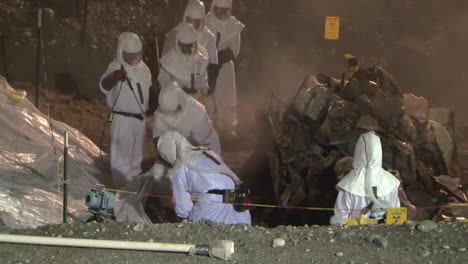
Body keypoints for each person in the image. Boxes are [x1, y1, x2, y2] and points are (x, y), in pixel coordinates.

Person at [156, 131, 251, 225]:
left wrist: (182, 217)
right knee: (241, 232)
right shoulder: (206, 151)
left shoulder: (179, 165)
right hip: (234, 192)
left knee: (200, 233)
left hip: (212, 198)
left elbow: (183, 204)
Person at [99, 32, 156, 187]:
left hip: (139, 120)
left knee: (136, 159)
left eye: (137, 55)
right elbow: (104, 85)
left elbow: (149, 90)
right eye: (130, 55)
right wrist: (116, 76)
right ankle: (120, 193)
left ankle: (133, 191)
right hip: (122, 120)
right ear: (122, 53)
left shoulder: (144, 69)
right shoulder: (115, 67)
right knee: (121, 161)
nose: (134, 58)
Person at [330, 131, 401, 225]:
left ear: (358, 151)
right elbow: (396, 216)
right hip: (385, 232)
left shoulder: (349, 185)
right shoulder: (390, 183)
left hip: (356, 233)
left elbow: (340, 220)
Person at [204, 0, 245, 137]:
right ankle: (206, 128)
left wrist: (220, 58)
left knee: (227, 96)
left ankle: (228, 127)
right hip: (207, 66)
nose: (222, 13)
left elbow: (235, 50)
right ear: (214, 7)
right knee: (207, 95)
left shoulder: (234, 25)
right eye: (220, 9)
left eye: (225, 10)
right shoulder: (206, 22)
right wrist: (211, 60)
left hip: (226, 68)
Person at [153, 81, 221, 154]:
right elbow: (158, 135)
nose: (171, 116)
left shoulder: (197, 111)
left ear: (180, 105)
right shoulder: (162, 110)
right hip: (181, 149)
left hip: (206, 148)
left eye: (174, 112)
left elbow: (197, 143)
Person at [159, 23, 209, 100]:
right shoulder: (170, 60)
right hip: (177, 102)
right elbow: (163, 82)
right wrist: (178, 91)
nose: (188, 49)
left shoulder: (200, 59)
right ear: (179, 44)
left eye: (190, 45)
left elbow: (204, 82)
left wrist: (203, 96)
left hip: (197, 101)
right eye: (185, 46)